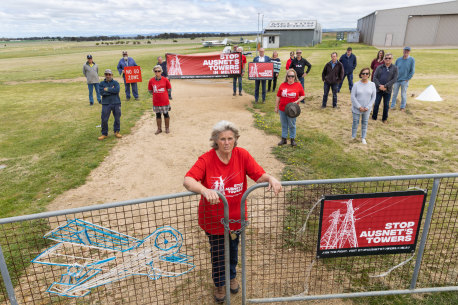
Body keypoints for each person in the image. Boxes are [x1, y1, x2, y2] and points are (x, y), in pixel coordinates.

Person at [183, 120, 282, 303]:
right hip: (214, 220)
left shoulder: (242, 155)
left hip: (236, 218)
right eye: (222, 139)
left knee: (234, 249)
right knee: (219, 252)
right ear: (215, 140)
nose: (227, 142)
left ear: (236, 139)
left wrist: (271, 178)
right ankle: (220, 283)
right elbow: (188, 179)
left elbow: (258, 174)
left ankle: (232, 276)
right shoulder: (206, 159)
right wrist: (204, 190)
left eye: (230, 138)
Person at [275, 69, 305, 147]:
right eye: (289, 76)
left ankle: (292, 139)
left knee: (292, 124)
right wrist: (276, 107)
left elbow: (303, 95)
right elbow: (278, 96)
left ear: (295, 77)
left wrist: (297, 101)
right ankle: (284, 139)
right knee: (284, 124)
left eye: (292, 76)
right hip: (282, 108)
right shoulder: (282, 85)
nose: (291, 78)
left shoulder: (298, 85)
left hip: (293, 109)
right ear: (287, 77)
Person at [351, 68, 376, 145]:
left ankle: (363, 137)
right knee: (355, 122)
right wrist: (359, 107)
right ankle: (353, 136)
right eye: (363, 73)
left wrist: (368, 107)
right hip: (357, 108)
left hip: (367, 109)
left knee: (364, 123)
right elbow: (353, 97)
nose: (365, 75)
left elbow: (373, 97)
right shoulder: (356, 84)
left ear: (369, 75)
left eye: (367, 73)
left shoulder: (372, 84)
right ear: (361, 74)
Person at [372, 53, 398, 123]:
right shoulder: (379, 67)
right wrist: (379, 86)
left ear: (392, 59)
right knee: (376, 103)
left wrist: (385, 86)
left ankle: (384, 119)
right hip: (379, 89)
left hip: (388, 90)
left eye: (389, 58)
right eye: (386, 58)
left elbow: (394, 79)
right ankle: (374, 117)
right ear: (384, 59)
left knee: (386, 105)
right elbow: (375, 77)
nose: (387, 59)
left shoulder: (395, 68)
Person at [98, 69, 122, 140]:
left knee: (117, 118)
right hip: (106, 103)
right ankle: (104, 133)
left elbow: (117, 90)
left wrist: (107, 89)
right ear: (105, 75)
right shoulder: (101, 83)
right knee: (104, 119)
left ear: (112, 75)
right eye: (106, 74)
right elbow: (101, 93)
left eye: (109, 74)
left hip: (116, 102)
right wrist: (111, 90)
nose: (108, 76)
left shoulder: (116, 82)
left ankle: (116, 131)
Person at [148, 65, 172, 134]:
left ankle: (167, 128)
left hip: (164, 101)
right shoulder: (151, 80)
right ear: (154, 72)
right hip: (156, 101)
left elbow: (169, 89)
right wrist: (156, 94)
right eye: (156, 71)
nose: (157, 72)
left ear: (161, 71)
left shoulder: (165, 80)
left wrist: (164, 94)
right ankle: (159, 129)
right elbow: (150, 91)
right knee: (158, 115)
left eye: (159, 71)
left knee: (166, 114)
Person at [391, 46, 415, 111]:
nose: (406, 52)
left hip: (404, 81)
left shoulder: (412, 60)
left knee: (403, 94)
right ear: (403, 51)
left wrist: (407, 79)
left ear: (409, 52)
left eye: (407, 51)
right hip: (397, 80)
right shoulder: (398, 60)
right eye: (405, 51)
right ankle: (392, 106)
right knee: (394, 94)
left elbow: (412, 71)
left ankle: (402, 107)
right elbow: (394, 69)